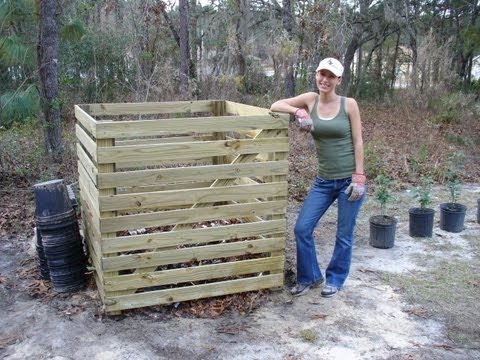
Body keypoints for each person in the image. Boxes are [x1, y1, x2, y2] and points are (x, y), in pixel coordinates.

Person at [270, 57, 366, 298]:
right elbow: (275, 105)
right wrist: (298, 112)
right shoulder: (309, 100)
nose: (326, 79)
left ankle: (335, 279)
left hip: (348, 180)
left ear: (339, 80)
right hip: (324, 181)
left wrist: (359, 178)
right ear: (316, 75)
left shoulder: (349, 105)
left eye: (331, 76)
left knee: (344, 234)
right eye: (322, 74)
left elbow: (358, 141)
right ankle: (310, 276)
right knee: (302, 228)